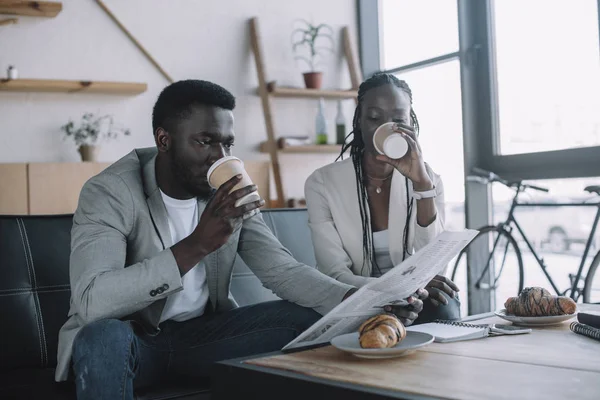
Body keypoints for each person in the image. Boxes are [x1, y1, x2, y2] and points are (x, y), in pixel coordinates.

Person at [55, 79, 426, 399]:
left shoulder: (229, 189)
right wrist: (197, 244)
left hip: (200, 338)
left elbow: (282, 271)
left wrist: (359, 301)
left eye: (228, 144)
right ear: (164, 140)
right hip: (133, 344)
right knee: (101, 337)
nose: (220, 157)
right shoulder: (109, 192)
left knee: (306, 319)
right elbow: (91, 301)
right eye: (205, 142)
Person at [305, 73, 460, 326]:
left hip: (416, 297)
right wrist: (399, 291)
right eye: (374, 118)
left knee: (444, 308)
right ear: (359, 122)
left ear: (411, 123)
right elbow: (334, 273)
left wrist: (422, 186)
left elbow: (435, 266)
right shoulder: (321, 183)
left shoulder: (429, 180)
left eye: (398, 119)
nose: (386, 129)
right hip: (354, 298)